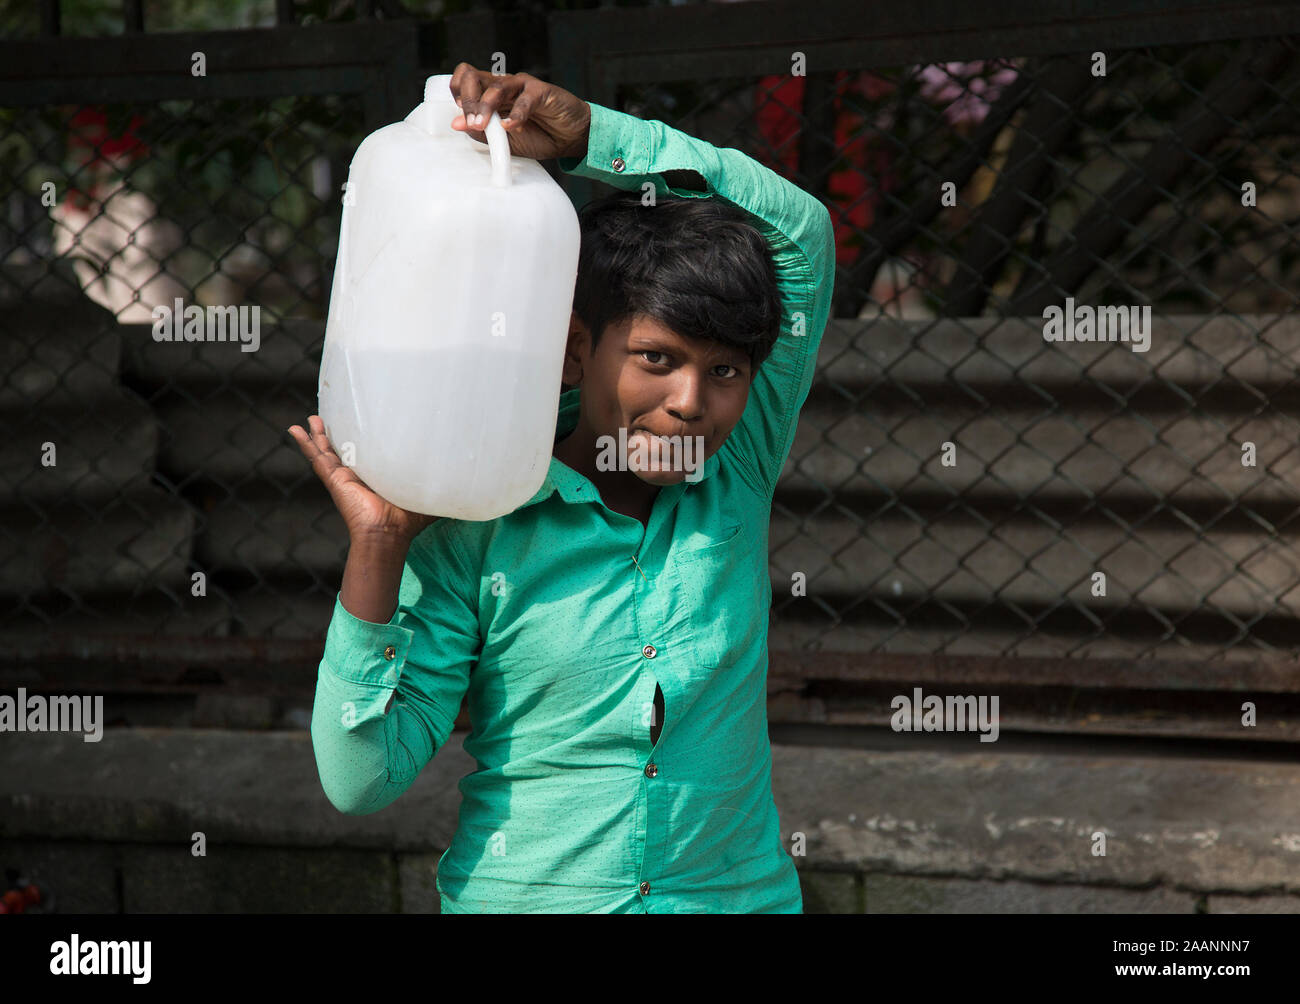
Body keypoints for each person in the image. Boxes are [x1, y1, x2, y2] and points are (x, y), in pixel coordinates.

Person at [289, 62, 835, 913]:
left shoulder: (739, 467)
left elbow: (800, 232)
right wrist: (379, 549)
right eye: (657, 359)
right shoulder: (478, 515)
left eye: (725, 370)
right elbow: (362, 776)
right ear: (577, 350)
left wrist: (593, 139)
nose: (691, 403)